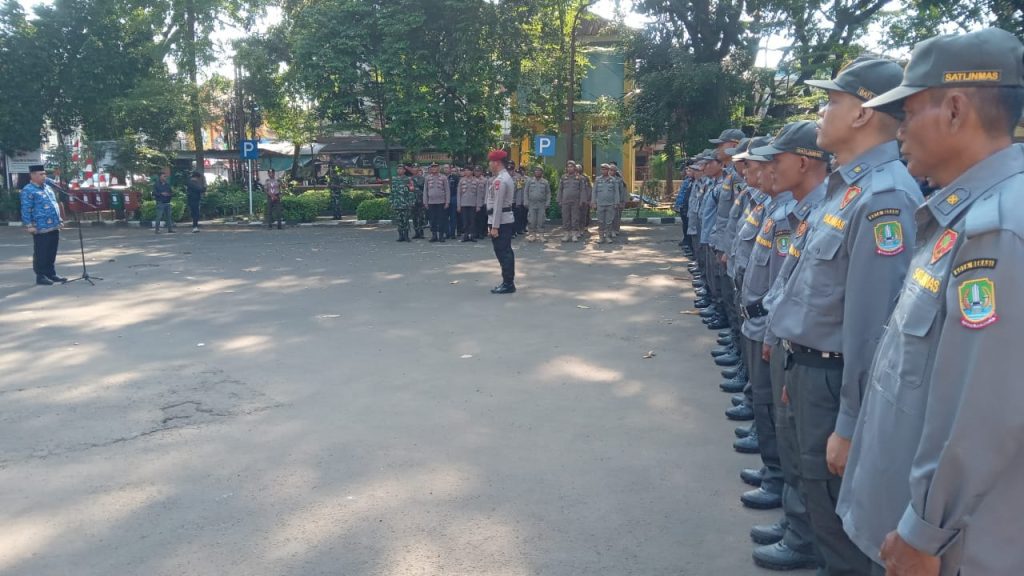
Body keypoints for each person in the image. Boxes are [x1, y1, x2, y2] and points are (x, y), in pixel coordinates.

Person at [837, 28, 1024, 576]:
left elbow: (984, 408)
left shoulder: (998, 231)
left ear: (956, 110)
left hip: (954, 546)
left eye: (910, 112)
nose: (898, 132)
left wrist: (925, 531)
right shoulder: (962, 215)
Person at [756, 56, 924, 576]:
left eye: (832, 102)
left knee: (838, 512)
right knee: (814, 487)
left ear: (863, 114)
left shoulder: (883, 197)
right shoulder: (846, 188)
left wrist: (850, 421)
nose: (822, 113)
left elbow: (874, 326)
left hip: (833, 377)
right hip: (808, 365)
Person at [20, 164, 66, 285]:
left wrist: (59, 220)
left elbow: (54, 204)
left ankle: (51, 273)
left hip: (54, 225)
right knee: (41, 252)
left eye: (44, 174)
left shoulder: (47, 187)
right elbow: (26, 209)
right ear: (33, 175)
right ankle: (41, 276)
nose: (44, 176)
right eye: (41, 174)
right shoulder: (28, 190)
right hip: (40, 227)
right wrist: (29, 225)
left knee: (51, 251)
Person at [486, 150, 516, 294]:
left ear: (496, 162)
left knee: (503, 252)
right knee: (504, 251)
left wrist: (495, 226)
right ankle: (508, 282)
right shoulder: (502, 178)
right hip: (502, 219)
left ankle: (508, 283)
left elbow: (498, 205)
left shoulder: (501, 180)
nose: (489, 164)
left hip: (501, 221)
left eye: (490, 162)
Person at [592, 163, 626, 244]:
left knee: (609, 221)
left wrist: (617, 202)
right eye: (602, 169)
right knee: (600, 221)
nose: (603, 170)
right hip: (600, 204)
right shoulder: (597, 179)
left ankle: (607, 236)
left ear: (608, 170)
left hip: (610, 204)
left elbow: (616, 193)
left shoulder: (613, 180)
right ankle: (601, 237)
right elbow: (594, 192)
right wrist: (593, 202)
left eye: (605, 169)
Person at [557, 161, 587, 242]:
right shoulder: (563, 177)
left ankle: (574, 234)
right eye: (568, 167)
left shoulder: (579, 178)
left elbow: (582, 190)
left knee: (575, 218)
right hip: (565, 201)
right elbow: (560, 189)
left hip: (576, 201)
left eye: (571, 166)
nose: (570, 168)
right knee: (566, 218)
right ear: (566, 168)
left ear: (574, 168)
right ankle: (566, 234)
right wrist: (559, 200)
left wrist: (582, 200)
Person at [423, 163, 449, 242]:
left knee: (441, 219)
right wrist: (425, 202)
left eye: (436, 167)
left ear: (438, 168)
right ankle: (434, 235)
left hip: (441, 202)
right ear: (431, 169)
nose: (434, 169)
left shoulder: (443, 177)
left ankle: (441, 235)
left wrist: (447, 202)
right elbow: (425, 191)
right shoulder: (427, 178)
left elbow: (447, 190)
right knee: (432, 220)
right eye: (432, 167)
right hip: (431, 202)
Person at [525, 166, 551, 242]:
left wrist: (548, 202)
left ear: (542, 172)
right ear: (534, 172)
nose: (537, 172)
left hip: (541, 204)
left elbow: (548, 193)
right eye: (536, 170)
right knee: (532, 220)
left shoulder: (545, 182)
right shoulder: (529, 181)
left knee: (541, 220)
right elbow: (526, 192)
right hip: (532, 204)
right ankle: (532, 235)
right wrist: (526, 201)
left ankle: (541, 235)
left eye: (539, 171)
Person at [390, 165, 415, 242]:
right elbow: (392, 192)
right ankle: (400, 236)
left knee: (405, 220)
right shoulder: (394, 179)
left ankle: (406, 235)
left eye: (401, 169)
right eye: (398, 169)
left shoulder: (408, 179)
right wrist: (391, 202)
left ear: (404, 171)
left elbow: (411, 192)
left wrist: (411, 202)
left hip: (405, 203)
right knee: (399, 220)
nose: (399, 170)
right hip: (397, 203)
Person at [457, 166, 482, 242]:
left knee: (472, 221)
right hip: (463, 204)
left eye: (468, 170)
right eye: (465, 170)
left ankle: (472, 235)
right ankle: (465, 235)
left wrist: (478, 205)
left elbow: (478, 194)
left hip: (473, 204)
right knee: (465, 221)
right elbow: (459, 194)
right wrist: (459, 205)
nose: (466, 172)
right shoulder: (461, 181)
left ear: (472, 172)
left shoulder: (476, 181)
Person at [411, 165, 427, 239]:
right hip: (413, 201)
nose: (414, 170)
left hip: (421, 200)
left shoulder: (423, 179)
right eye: (413, 169)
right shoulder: (410, 179)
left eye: (416, 169)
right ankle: (416, 232)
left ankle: (421, 232)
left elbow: (426, 190)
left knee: (421, 217)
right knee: (414, 217)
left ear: (418, 170)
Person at [446, 164, 461, 239]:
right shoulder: (442, 177)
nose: (446, 169)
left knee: (453, 216)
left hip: (453, 197)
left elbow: (458, 189)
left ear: (450, 169)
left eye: (447, 168)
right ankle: (447, 232)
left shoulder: (455, 177)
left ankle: (452, 233)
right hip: (444, 199)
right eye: (444, 168)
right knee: (445, 217)